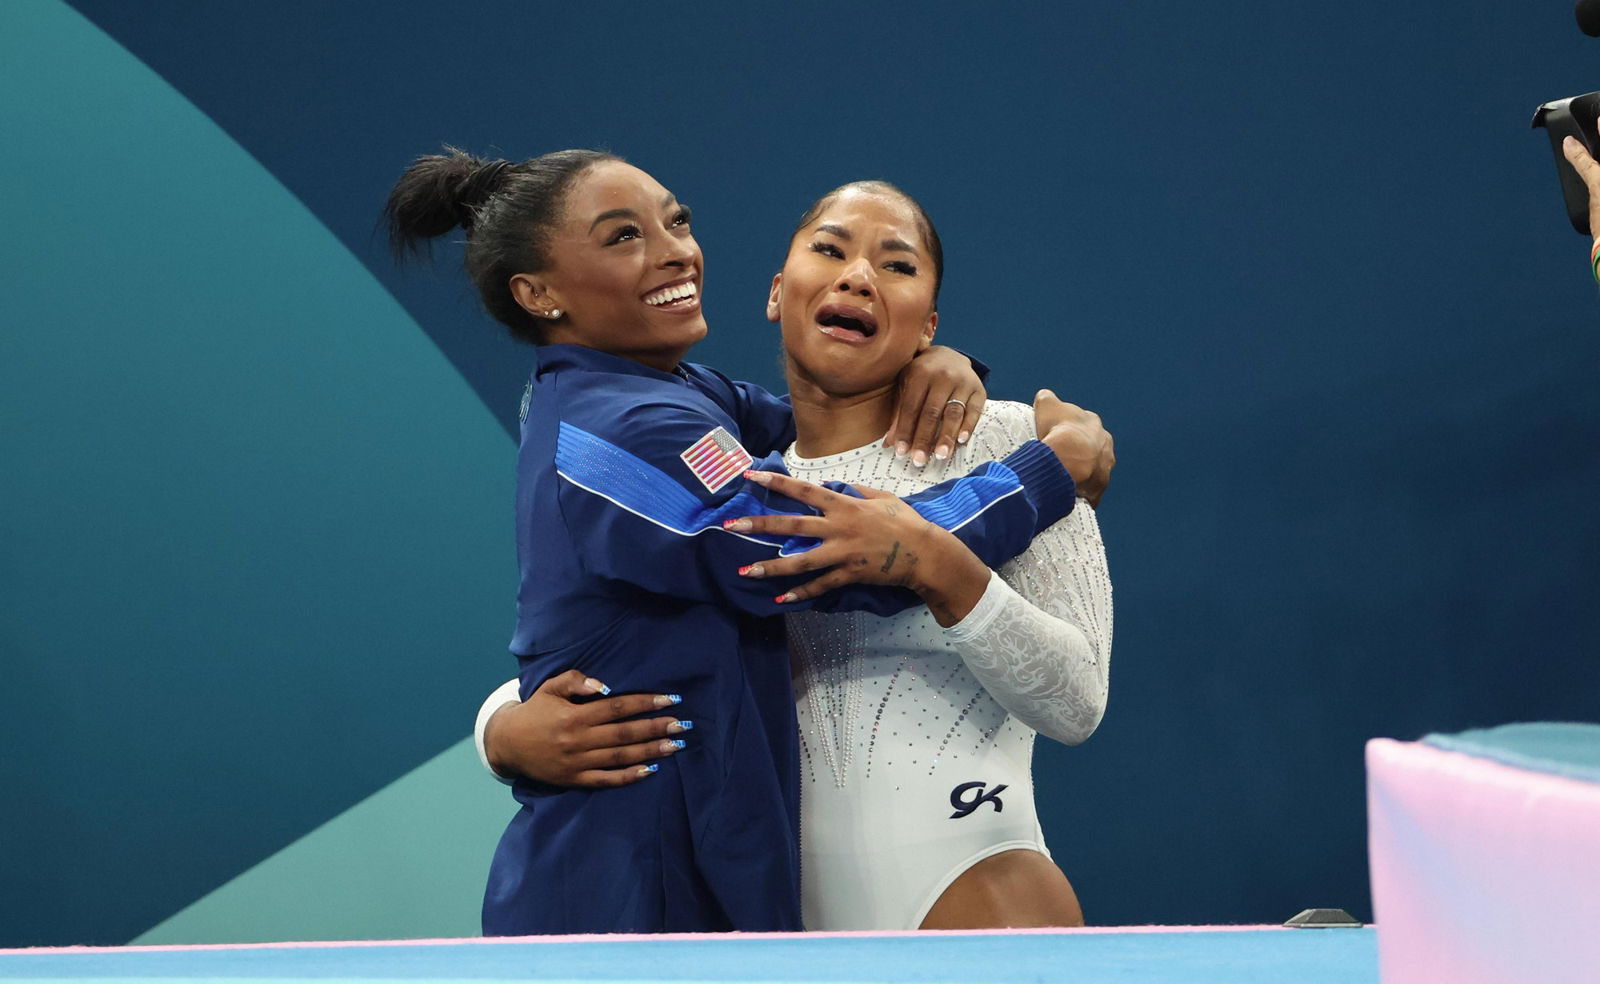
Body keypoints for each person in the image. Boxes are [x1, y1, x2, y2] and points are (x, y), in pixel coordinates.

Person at [384, 149, 1111, 935]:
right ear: (539, 293)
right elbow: (810, 549)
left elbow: (822, 427)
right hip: (627, 899)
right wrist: (1040, 478)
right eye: (624, 236)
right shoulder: (618, 430)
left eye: (678, 221)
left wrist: (939, 367)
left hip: (810, 892)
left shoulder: (690, 396)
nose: (672, 249)